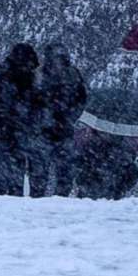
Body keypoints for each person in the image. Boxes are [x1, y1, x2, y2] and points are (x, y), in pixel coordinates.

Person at [0, 42, 50, 196]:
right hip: (17, 131)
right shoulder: (30, 79)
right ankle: (13, 200)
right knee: (15, 173)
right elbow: (39, 105)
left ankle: (1, 200)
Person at [38, 45, 90, 195]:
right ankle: (40, 197)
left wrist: (71, 116)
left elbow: (82, 98)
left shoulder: (72, 75)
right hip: (46, 128)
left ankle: (60, 197)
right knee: (43, 168)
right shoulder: (40, 75)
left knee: (64, 168)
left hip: (63, 127)